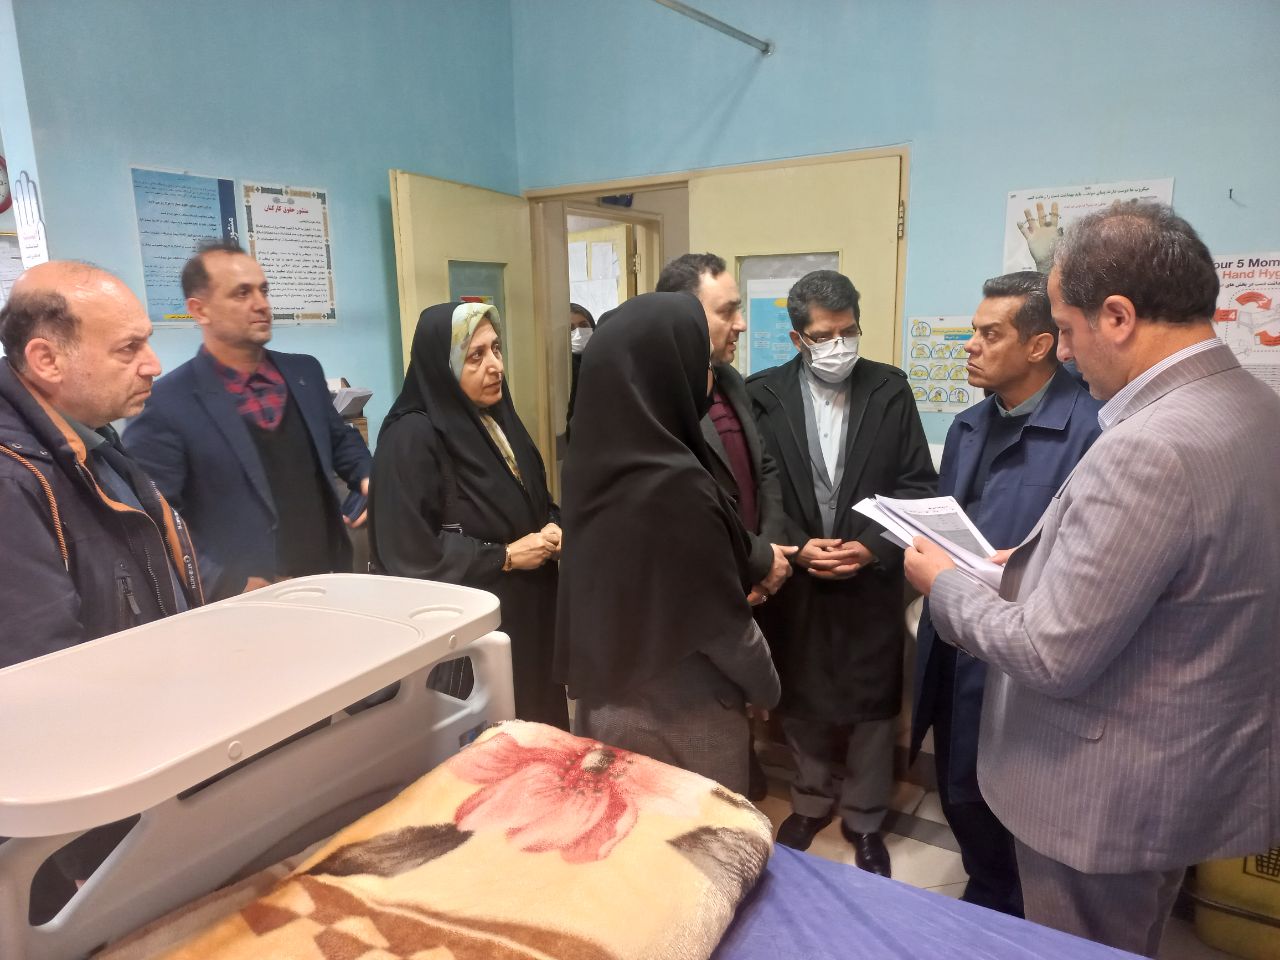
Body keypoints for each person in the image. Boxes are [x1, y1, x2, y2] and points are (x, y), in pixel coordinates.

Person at [904, 202, 1280, 956]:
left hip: (1102, 796)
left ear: (1117, 316)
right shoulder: (1254, 407)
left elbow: (1050, 654)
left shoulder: (1147, 445)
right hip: (1186, 766)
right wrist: (1029, 564)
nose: (1068, 357)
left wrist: (943, 583)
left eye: (1068, 332)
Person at [0, 261, 204, 919]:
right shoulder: (13, 479)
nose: (153, 365)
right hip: (92, 817)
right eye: (127, 348)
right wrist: (93, 859)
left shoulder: (92, 441)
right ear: (46, 360)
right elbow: (40, 690)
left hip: (146, 760)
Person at [910, 271, 1102, 916]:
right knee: (959, 791)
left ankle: (1013, 915)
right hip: (953, 640)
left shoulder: (1093, 432)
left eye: (990, 334)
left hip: (1025, 660)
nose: (970, 345)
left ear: (1040, 345)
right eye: (973, 330)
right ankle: (986, 898)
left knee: (1016, 816)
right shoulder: (969, 425)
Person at [747, 270, 936, 875]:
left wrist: (874, 548)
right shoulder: (762, 395)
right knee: (799, 693)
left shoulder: (889, 389)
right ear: (798, 338)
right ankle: (808, 800)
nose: (839, 346)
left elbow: (917, 486)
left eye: (848, 331)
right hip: (796, 576)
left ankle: (865, 817)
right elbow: (756, 492)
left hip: (869, 576)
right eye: (824, 336)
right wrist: (796, 546)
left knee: (872, 703)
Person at [555, 292, 780, 795]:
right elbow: (724, 627)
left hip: (605, 713)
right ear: (667, 373)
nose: (708, 378)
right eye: (700, 364)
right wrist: (766, 688)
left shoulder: (587, 464)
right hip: (685, 724)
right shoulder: (679, 485)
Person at [126, 241, 372, 601]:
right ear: (199, 310)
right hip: (245, 602)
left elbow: (338, 438)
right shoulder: (167, 403)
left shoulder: (303, 372)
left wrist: (367, 475)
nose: (261, 304)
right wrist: (227, 583)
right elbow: (155, 518)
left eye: (263, 290)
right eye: (242, 293)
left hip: (328, 577)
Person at [370, 301, 567, 729]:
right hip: (468, 636)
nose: (495, 366)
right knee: (490, 747)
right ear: (441, 365)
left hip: (529, 618)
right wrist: (504, 557)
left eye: (496, 349)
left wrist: (554, 524)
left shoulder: (497, 420)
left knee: (540, 740)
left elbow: (531, 497)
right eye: (475, 356)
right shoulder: (411, 437)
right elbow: (408, 551)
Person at [657, 253, 796, 798]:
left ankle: (743, 771)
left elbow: (764, 470)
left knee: (745, 698)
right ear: (685, 319)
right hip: (706, 592)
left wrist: (772, 553)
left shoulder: (732, 382)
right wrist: (752, 562)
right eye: (727, 311)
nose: (741, 324)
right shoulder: (662, 403)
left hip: (757, 575)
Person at [564, 302, 594, 440]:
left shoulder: (605, 361)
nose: (578, 332)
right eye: (571, 328)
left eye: (583, 325)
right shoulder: (563, 369)